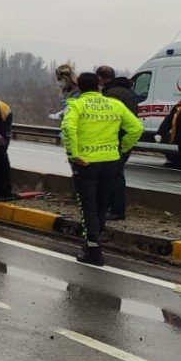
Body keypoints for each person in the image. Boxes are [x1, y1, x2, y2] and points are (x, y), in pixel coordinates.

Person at [61, 72, 143, 266]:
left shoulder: (76, 105)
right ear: (98, 86)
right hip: (110, 161)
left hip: (86, 164)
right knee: (102, 205)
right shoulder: (115, 104)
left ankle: (93, 250)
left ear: (79, 87)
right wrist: (122, 147)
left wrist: (74, 154)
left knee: (87, 206)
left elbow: (68, 129)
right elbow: (136, 129)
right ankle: (94, 243)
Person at [96, 66, 140, 220]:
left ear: (101, 78)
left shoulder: (111, 94)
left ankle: (116, 210)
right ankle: (113, 208)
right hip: (125, 137)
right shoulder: (128, 92)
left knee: (114, 175)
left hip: (115, 139)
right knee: (115, 174)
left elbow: (107, 118)